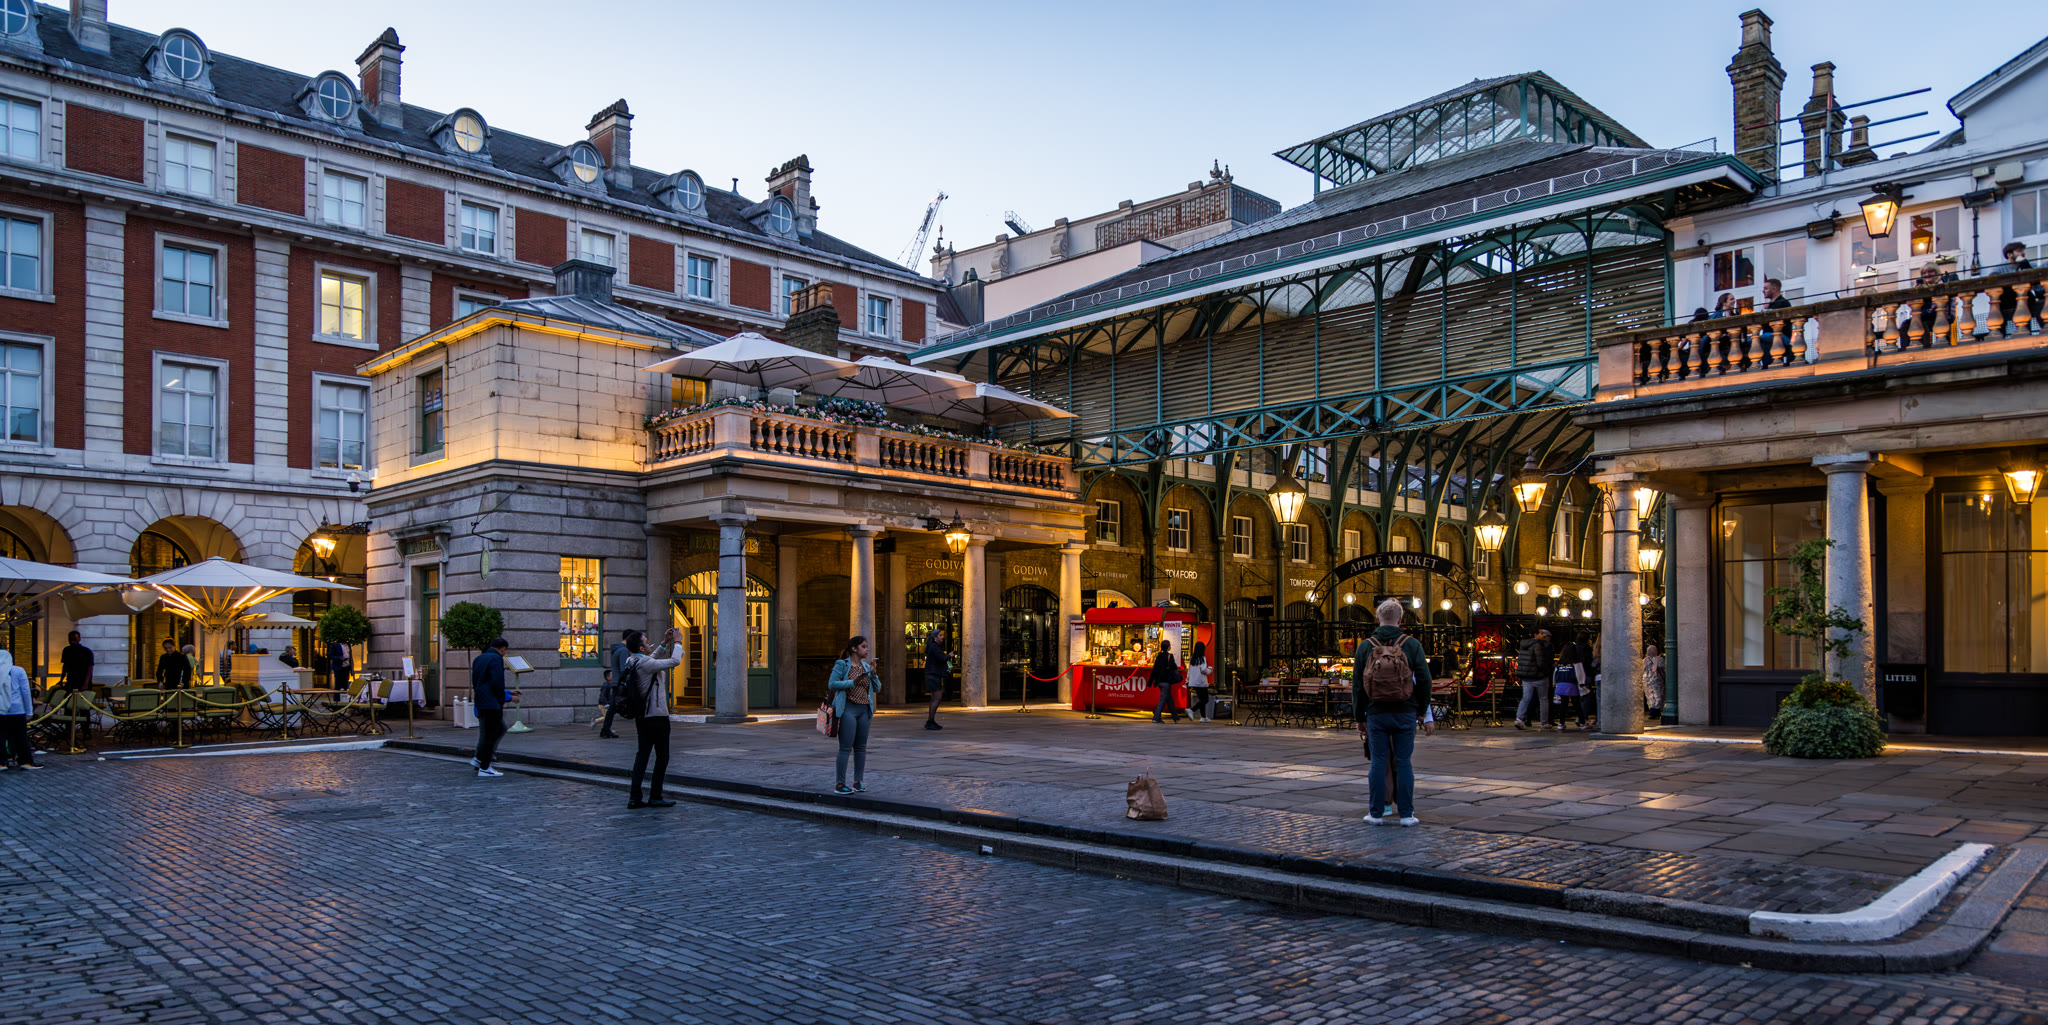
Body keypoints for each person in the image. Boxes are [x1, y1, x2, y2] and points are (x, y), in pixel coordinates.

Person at [1352, 599, 1433, 826]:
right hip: (1405, 711)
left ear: (1378, 618)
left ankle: (1376, 813)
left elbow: (1357, 685)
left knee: (1378, 762)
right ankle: (1406, 815)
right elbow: (1425, 681)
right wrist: (1422, 710)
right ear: (1401, 619)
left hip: (1376, 712)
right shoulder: (1412, 644)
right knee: (1404, 762)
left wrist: (1359, 717)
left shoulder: (1365, 646)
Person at [621, 628, 684, 808]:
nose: (649, 643)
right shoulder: (646, 663)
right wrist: (678, 642)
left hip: (642, 717)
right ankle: (655, 795)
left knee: (642, 756)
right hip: (656, 716)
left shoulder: (632, 660)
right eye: (647, 642)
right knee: (662, 757)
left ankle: (635, 797)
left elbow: (651, 659)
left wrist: (664, 643)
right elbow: (674, 661)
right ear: (641, 648)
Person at [827, 636, 878, 794]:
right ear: (854, 649)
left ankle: (858, 782)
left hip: (864, 710)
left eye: (867, 646)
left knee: (861, 748)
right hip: (848, 709)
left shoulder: (866, 667)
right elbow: (832, 684)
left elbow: (877, 688)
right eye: (863, 646)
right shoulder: (842, 664)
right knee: (845, 747)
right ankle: (840, 784)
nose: (867, 649)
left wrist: (874, 674)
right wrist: (852, 682)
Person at [469, 638, 515, 778]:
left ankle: (479, 760)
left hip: (481, 700)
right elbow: (497, 682)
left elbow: (480, 681)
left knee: (490, 733)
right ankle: (485, 767)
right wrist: (504, 698)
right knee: (490, 735)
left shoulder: (479, 659)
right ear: (503, 649)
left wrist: (507, 693)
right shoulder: (496, 659)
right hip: (491, 703)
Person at [0, 649, 41, 770]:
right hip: (17, 709)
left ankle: (1, 762)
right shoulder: (19, 670)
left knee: (1, 737)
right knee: (20, 737)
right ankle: (25, 761)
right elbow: (25, 691)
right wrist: (29, 711)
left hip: (1, 709)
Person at [1998, 242, 2043, 335]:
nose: (2023, 253)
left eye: (2023, 250)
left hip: (2026, 299)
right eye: (2019, 251)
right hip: (2008, 300)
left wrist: (2024, 265)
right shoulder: (2000, 269)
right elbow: (1992, 281)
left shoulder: (2029, 265)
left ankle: (2029, 332)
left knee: (2032, 299)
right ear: (2009, 255)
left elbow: (2034, 281)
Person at [1513, 628, 1554, 729]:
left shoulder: (1523, 645)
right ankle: (1544, 722)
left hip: (1526, 677)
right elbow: (1540, 662)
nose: (1543, 635)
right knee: (1543, 699)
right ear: (1535, 635)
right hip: (1538, 676)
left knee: (1526, 698)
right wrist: (1546, 672)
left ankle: (1519, 718)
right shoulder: (1538, 645)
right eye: (1541, 633)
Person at [595, 630, 632, 739]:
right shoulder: (624, 650)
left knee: (612, 709)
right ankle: (605, 730)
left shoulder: (617, 649)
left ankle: (605, 730)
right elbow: (624, 669)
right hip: (620, 683)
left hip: (616, 682)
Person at [1552, 634, 1589, 731]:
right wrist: (1582, 684)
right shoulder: (1576, 662)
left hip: (1560, 685)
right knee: (1576, 704)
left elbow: (1555, 674)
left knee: (1563, 705)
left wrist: (1555, 684)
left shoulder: (1560, 663)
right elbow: (1580, 675)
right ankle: (1582, 722)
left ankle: (1561, 723)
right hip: (1571, 685)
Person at [1150, 637, 1184, 723]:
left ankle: (1175, 717)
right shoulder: (1170, 656)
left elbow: (1155, 669)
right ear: (1168, 647)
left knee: (1169, 699)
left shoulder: (1159, 656)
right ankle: (1156, 717)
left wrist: (1152, 681)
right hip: (1166, 681)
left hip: (1159, 681)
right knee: (1163, 700)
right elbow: (1174, 667)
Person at [922, 626, 950, 730]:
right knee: (937, 698)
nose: (942, 637)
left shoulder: (934, 647)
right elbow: (941, 658)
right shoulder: (934, 647)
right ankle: (930, 721)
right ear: (935, 637)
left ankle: (931, 721)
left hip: (933, 674)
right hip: (933, 675)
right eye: (940, 635)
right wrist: (949, 656)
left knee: (934, 698)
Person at [1185, 640, 1213, 722]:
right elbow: (1203, 670)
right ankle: (1192, 710)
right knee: (1205, 699)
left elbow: (1189, 671)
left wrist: (1187, 680)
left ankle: (1203, 717)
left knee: (1201, 699)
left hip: (1193, 682)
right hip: (1201, 682)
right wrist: (1210, 670)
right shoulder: (1202, 658)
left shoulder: (1192, 659)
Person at [1642, 643, 1666, 718]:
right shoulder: (1659, 659)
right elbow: (1662, 668)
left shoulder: (1644, 660)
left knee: (1650, 696)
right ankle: (1656, 711)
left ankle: (1652, 710)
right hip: (1656, 680)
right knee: (1658, 695)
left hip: (1646, 680)